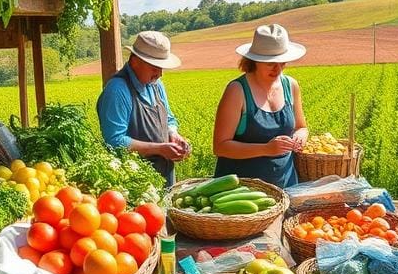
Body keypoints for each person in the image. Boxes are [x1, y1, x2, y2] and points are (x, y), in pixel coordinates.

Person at [212, 24, 308, 187]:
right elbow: (220, 147)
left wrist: (299, 137)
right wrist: (266, 149)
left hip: (286, 184)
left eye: (282, 62)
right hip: (241, 194)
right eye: (270, 63)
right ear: (254, 60)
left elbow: (302, 127)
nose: (278, 68)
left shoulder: (291, 86)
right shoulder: (237, 91)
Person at [96, 30, 191, 187]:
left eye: (161, 68)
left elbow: (169, 119)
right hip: (134, 184)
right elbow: (114, 141)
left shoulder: (156, 85)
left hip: (163, 177)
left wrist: (173, 134)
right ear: (134, 61)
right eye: (154, 67)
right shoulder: (117, 90)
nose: (159, 74)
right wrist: (160, 149)